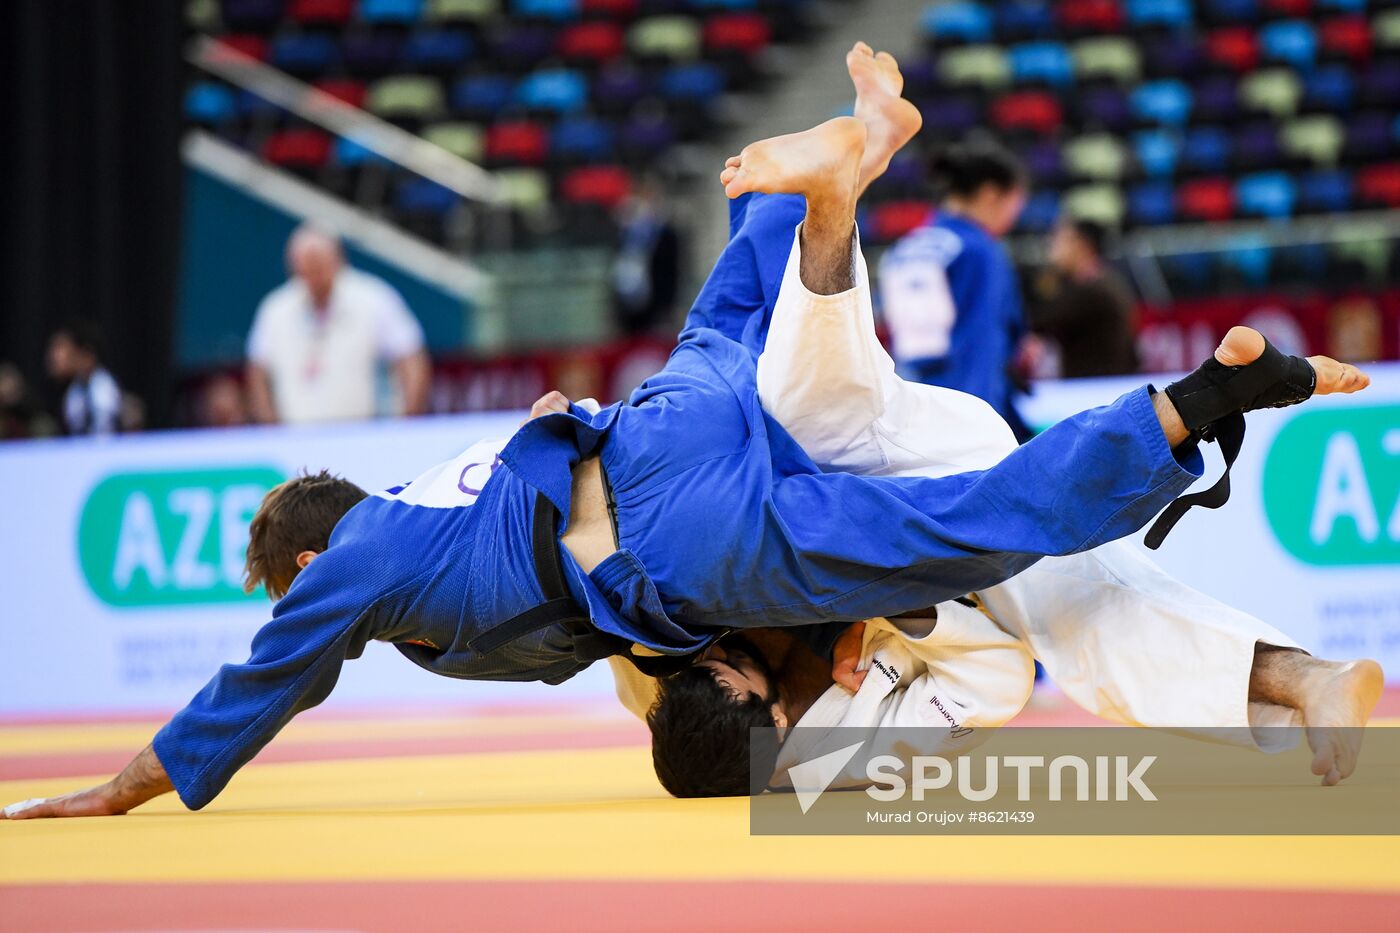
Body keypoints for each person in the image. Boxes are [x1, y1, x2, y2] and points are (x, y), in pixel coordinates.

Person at [1, 45, 1368, 821]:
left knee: (961, 527)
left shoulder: (352, 568)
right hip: (656, 422)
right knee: (736, 320)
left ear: (306, 568)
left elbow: (254, 686)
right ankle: (816, 184)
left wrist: (124, 790)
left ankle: (1185, 408)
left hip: (682, 540)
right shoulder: (422, 501)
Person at [629, 183, 1382, 794]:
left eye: (705, 660)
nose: (715, 649)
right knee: (1080, 619)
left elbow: (608, 553)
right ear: (782, 722)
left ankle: (819, 192)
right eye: (734, 665)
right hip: (940, 512)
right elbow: (996, 679)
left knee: (801, 402)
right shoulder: (842, 756)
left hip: (854, 453)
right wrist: (897, 601)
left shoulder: (658, 671)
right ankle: (1304, 668)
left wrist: (572, 436)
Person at [878, 138, 1032, 438]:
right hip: (966, 407)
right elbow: (980, 340)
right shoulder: (979, 250)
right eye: (1015, 204)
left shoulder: (904, 247)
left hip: (910, 404)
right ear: (991, 194)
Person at [245, 224, 431, 425]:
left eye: (318, 267)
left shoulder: (374, 299)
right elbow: (257, 372)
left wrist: (405, 421)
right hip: (294, 438)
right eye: (305, 269)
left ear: (337, 260)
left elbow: (412, 359)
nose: (313, 278)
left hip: (365, 434)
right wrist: (270, 427)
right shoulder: (276, 309)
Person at [1031, 217, 1138, 378]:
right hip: (1099, 385)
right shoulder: (1104, 281)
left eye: (1059, 239)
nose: (1052, 247)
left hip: (1097, 389)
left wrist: (1050, 274)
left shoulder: (1094, 291)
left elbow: (1041, 320)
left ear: (1081, 245)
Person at [611, 175, 683, 336]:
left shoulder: (666, 234)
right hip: (627, 300)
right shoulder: (624, 231)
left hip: (656, 301)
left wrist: (667, 305)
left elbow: (672, 270)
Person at [45, 321, 123, 436]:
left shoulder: (103, 390)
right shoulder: (74, 390)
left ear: (85, 354)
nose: (53, 356)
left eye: (61, 347)